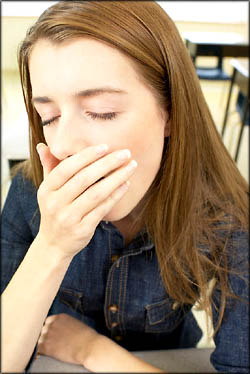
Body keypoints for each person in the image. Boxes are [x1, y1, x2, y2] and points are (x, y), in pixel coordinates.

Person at [1, 1, 249, 372]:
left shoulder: (225, 210)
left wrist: (92, 350)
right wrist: (52, 245)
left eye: (102, 111)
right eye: (48, 116)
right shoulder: (28, 191)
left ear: (170, 111)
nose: (64, 145)